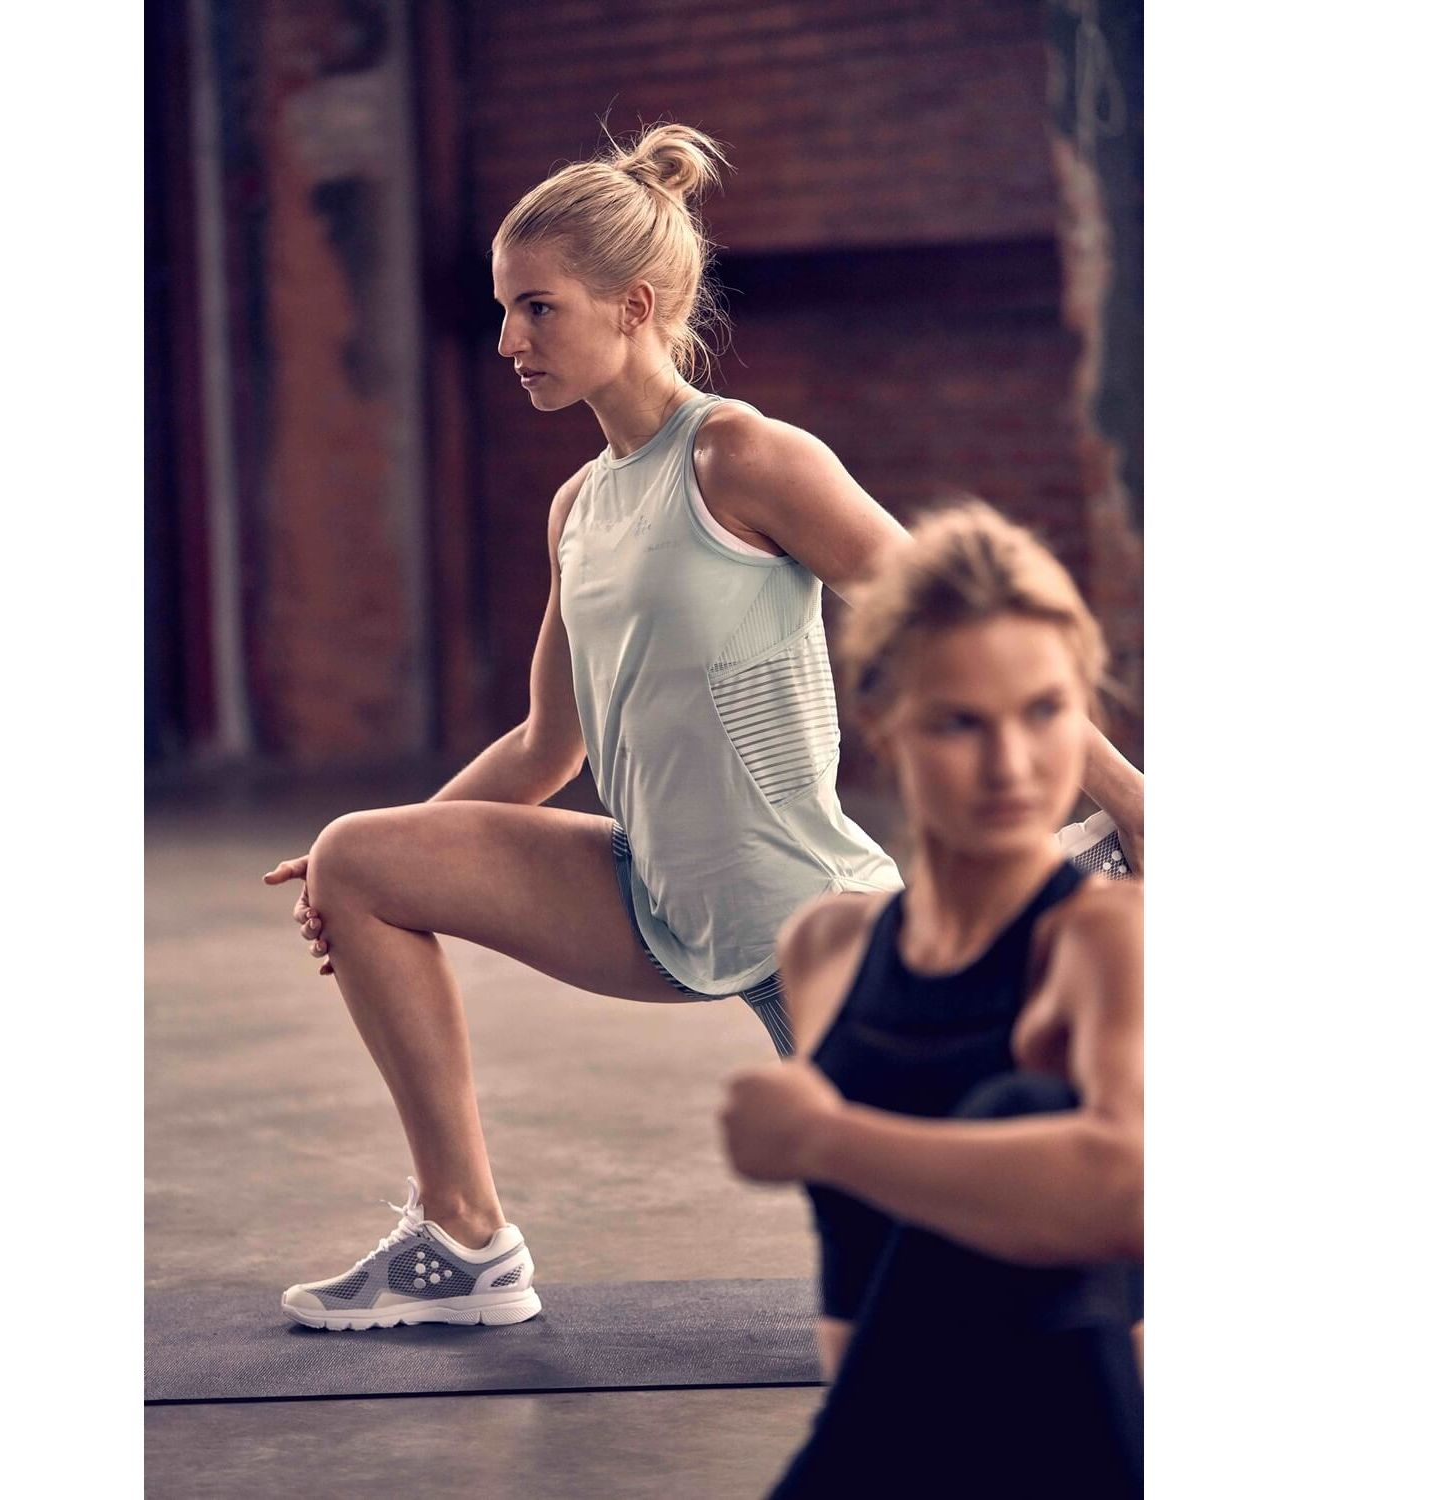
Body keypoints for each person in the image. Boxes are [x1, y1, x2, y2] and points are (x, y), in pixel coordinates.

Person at [263, 122, 1145, 1332]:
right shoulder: (580, 505)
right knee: (361, 855)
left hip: (798, 913)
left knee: (978, 1282)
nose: (508, 340)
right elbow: (546, 744)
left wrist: (1131, 799)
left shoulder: (743, 457)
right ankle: (463, 1242)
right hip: (650, 893)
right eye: (504, 310)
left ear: (631, 307)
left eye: (536, 309)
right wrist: (356, 863)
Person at [718, 501, 1143, 1494]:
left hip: (1063, 1456)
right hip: (894, 1452)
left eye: (1044, 713)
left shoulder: (1102, 938)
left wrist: (825, 1140)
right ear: (881, 723)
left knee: (1021, 1108)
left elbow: (1129, 1188)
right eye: (960, 723)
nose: (1011, 766)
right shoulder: (825, 948)